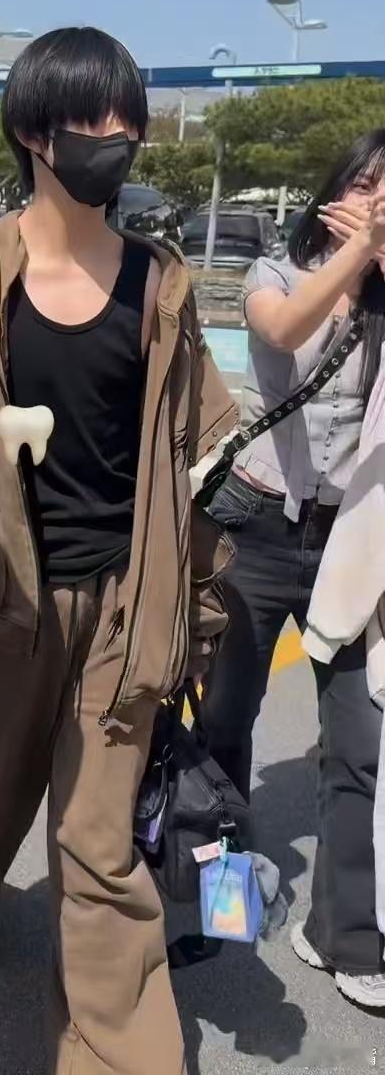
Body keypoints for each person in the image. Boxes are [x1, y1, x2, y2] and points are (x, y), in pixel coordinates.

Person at [0, 26, 236, 1075]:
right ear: (33, 134)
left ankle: (121, 1048)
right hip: (1, 596)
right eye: (92, 118)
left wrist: (205, 591)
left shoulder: (161, 287)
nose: (116, 136)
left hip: (125, 601)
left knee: (98, 843)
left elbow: (201, 448)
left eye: (126, 117)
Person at [200, 131, 385, 1009]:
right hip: (258, 525)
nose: (376, 202)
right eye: (366, 185)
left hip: (350, 540)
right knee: (225, 720)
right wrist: (358, 254)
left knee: (359, 741)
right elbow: (283, 329)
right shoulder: (274, 270)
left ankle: (344, 934)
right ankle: (221, 897)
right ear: (333, 192)